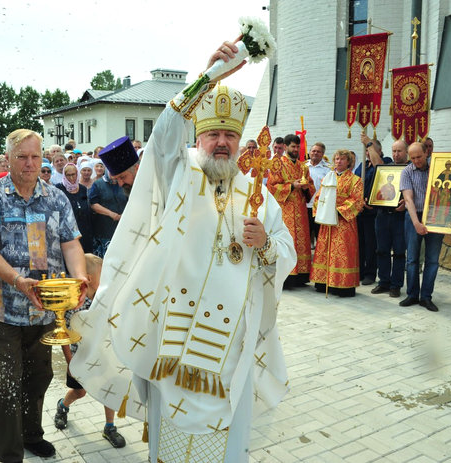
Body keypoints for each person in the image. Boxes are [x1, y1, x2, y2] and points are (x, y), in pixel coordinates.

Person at [70, 41, 296, 463]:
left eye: (230, 134)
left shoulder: (259, 196)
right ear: (200, 136)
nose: (222, 143)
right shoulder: (182, 173)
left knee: (226, 443)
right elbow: (165, 132)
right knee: (172, 446)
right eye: (214, 134)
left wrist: (264, 244)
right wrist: (207, 76)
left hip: (232, 346)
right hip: (173, 342)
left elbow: (287, 252)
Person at [0, 128, 87, 462]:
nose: (30, 163)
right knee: (5, 385)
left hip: (45, 308)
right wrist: (17, 279)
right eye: (22, 156)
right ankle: (9, 454)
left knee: (39, 376)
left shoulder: (56, 197)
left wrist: (79, 277)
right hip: (1, 309)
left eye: (36, 156)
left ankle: (32, 434)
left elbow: (70, 241)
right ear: (8, 158)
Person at [53, 253, 125, 448]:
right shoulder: (73, 305)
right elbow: (64, 336)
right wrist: (70, 362)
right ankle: (62, 406)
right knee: (79, 392)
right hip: (79, 358)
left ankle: (110, 426)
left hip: (102, 355)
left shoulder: (103, 301)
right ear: (92, 279)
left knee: (108, 389)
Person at [310, 150, 364, 296]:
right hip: (327, 222)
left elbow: (357, 200)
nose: (338, 161)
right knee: (325, 251)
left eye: (342, 159)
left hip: (343, 222)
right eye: (337, 159)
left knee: (342, 253)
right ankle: (323, 282)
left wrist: (338, 210)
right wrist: (322, 210)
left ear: (349, 162)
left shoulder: (355, 180)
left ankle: (342, 285)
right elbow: (318, 197)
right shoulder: (327, 177)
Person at [399, 142, 443, 312]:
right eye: (413, 157)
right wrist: (416, 223)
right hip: (413, 216)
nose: (416, 160)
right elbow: (408, 199)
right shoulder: (407, 172)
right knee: (412, 259)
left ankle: (426, 297)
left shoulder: (437, 169)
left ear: (427, 153)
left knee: (432, 260)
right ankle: (411, 295)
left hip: (435, 217)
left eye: (419, 156)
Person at [267, 133, 315, 288]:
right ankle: (287, 277)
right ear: (286, 147)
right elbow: (271, 187)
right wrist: (292, 186)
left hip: (300, 210)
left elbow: (311, 186)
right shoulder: (278, 165)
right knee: (288, 239)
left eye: (297, 146)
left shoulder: (303, 167)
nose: (295, 149)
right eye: (293, 146)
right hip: (285, 210)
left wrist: (307, 186)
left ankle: (301, 275)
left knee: (301, 242)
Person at [372, 140, 409, 298]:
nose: (396, 154)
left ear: (406, 152)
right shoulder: (385, 168)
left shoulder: (410, 169)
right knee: (381, 250)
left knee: (399, 252)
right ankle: (384, 282)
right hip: (382, 215)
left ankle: (396, 285)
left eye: (399, 151)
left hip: (400, 217)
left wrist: (406, 203)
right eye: (394, 151)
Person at [356, 133, 392, 285]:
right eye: (366, 150)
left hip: (374, 211)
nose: (368, 153)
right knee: (361, 243)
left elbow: (381, 169)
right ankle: (360, 271)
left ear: (379, 150)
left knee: (372, 244)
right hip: (360, 209)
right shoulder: (363, 165)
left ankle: (370, 273)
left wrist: (369, 144)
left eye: (370, 150)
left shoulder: (386, 161)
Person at [89, 146, 129, 258]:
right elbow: (93, 204)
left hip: (122, 228)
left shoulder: (124, 183)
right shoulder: (98, 184)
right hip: (104, 230)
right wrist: (111, 214)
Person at [56, 164, 93, 253]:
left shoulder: (83, 189)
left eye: (73, 174)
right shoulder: (59, 189)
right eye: (68, 175)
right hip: (68, 230)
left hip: (84, 229)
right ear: (64, 175)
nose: (71, 178)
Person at [305, 142, 331, 246]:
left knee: (320, 237)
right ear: (309, 152)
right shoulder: (302, 166)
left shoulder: (328, 169)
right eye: (313, 151)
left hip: (320, 208)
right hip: (305, 206)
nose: (315, 153)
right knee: (305, 237)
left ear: (322, 154)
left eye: (318, 151)